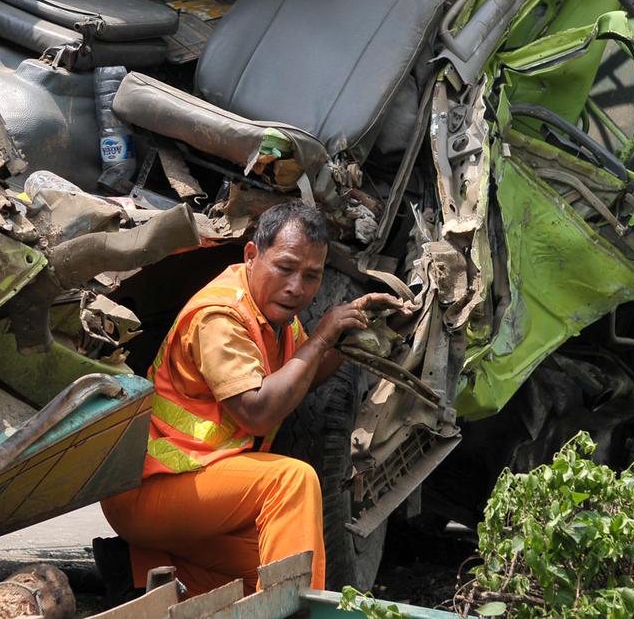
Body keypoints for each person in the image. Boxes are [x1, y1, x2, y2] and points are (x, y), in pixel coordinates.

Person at [99, 201, 405, 598]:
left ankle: (158, 582)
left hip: (192, 489)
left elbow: (297, 378)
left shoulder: (274, 318)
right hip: (148, 491)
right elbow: (259, 414)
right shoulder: (220, 316)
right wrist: (324, 336)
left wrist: (364, 334)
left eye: (311, 276)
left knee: (289, 560)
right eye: (285, 268)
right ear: (251, 255)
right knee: (291, 480)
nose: (297, 287)